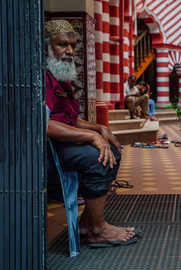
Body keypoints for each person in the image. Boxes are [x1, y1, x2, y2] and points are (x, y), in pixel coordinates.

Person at [44, 20, 139, 247]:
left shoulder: (61, 78)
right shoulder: (43, 79)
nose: (69, 51)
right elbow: (45, 125)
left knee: (113, 151)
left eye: (73, 46)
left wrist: (99, 128)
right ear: (46, 46)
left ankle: (88, 221)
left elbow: (68, 118)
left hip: (63, 142)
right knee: (99, 159)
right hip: (49, 150)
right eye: (62, 45)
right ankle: (98, 230)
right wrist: (91, 137)